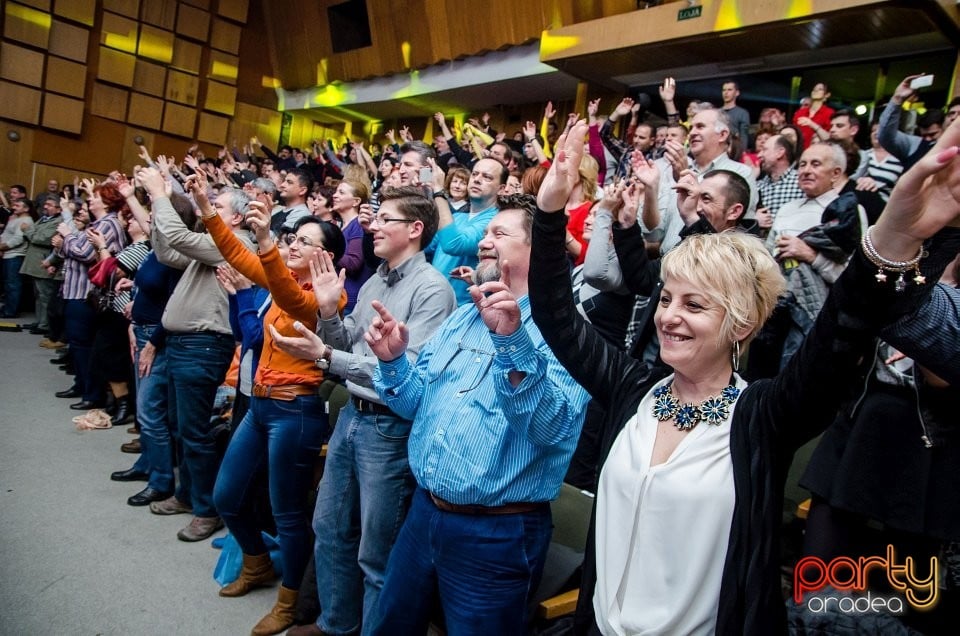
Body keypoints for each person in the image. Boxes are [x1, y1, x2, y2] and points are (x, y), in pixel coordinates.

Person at [527, 119, 957, 635]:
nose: (668, 316)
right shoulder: (632, 389)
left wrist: (897, 235)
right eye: (666, 299)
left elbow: (840, 335)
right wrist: (550, 210)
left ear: (742, 325)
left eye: (694, 304)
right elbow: (556, 314)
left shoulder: (763, 416)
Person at [363, 194, 590, 634]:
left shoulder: (569, 335)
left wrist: (511, 344)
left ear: (539, 248)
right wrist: (393, 363)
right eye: (485, 233)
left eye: (499, 234)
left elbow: (551, 428)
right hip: (424, 513)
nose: (483, 242)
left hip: (497, 535)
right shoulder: (462, 318)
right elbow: (412, 405)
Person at [273, 186, 457, 636]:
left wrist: (327, 357)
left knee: (377, 552)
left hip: (389, 428)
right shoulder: (375, 280)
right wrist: (328, 310)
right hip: (352, 417)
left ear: (415, 230)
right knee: (330, 528)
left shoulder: (433, 290)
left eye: (385, 219)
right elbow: (342, 347)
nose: (372, 225)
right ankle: (336, 624)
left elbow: (404, 374)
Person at [195, 170, 346, 635]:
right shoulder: (282, 277)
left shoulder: (327, 298)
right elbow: (239, 256)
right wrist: (206, 209)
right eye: (291, 238)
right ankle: (258, 564)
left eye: (304, 240)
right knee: (226, 496)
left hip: (294, 413)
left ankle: (289, 600)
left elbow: (282, 289)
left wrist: (264, 237)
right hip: (260, 406)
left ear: (326, 256)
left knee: (287, 512)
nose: (293, 244)